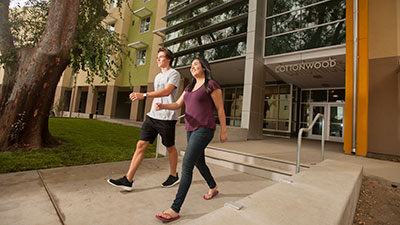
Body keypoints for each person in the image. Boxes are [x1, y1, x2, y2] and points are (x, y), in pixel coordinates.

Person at [154, 57, 228, 222]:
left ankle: (175, 208)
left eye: (196, 64)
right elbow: (178, 104)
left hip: (205, 129)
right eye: (191, 65)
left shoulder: (211, 85)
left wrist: (223, 130)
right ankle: (213, 187)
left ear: (203, 68)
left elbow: (220, 108)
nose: (192, 67)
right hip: (190, 129)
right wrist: (164, 105)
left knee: (187, 165)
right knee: (199, 162)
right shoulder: (189, 87)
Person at [107, 47, 181, 191]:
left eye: (160, 57)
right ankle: (128, 179)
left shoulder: (174, 74)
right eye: (157, 57)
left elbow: (167, 91)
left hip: (166, 118)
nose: (158, 59)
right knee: (141, 145)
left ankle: (173, 175)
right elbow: (158, 93)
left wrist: (144, 95)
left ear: (168, 59)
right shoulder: (158, 76)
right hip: (152, 116)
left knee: (170, 147)